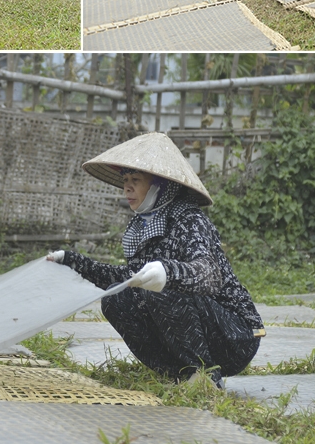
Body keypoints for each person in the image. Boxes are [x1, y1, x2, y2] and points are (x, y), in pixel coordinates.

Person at [47, 132, 264, 390]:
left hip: (234, 336)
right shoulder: (145, 225)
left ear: (160, 186)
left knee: (161, 289)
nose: (127, 188)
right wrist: (74, 262)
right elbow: (130, 279)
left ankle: (205, 376)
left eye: (136, 180)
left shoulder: (190, 220)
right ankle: (179, 373)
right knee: (115, 298)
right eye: (125, 180)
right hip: (198, 333)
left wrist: (168, 272)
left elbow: (208, 274)